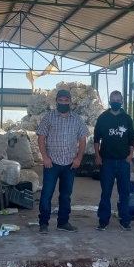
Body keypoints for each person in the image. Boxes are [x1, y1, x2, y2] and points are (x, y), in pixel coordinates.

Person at [36, 89, 89, 234]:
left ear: (70, 102)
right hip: (51, 163)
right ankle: (43, 224)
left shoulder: (77, 119)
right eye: (61, 100)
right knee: (47, 194)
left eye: (66, 101)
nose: (63, 103)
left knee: (65, 195)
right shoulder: (49, 118)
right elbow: (41, 137)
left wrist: (79, 158)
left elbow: (82, 139)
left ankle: (63, 222)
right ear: (56, 102)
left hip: (70, 164)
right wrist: (45, 158)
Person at [94, 90, 134, 231]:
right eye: (113, 99)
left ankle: (125, 220)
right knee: (106, 192)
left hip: (124, 161)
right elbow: (96, 139)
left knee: (124, 191)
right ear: (109, 101)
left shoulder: (127, 118)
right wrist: (97, 155)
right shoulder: (103, 118)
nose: (115, 102)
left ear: (122, 101)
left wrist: (130, 155)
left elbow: (131, 138)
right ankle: (103, 220)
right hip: (107, 161)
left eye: (118, 100)